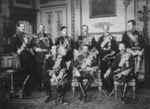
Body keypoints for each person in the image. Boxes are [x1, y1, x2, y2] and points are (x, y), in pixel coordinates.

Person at [10, 21, 35, 94]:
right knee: (23, 73)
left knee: (31, 72)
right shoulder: (15, 36)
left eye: (24, 27)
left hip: (29, 56)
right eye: (22, 27)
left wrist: (32, 50)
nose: (23, 28)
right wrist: (17, 52)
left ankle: (23, 86)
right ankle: (23, 88)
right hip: (21, 57)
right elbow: (11, 49)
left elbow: (29, 46)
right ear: (18, 28)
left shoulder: (26, 35)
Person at [96, 24, 119, 93]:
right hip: (102, 57)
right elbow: (98, 47)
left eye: (106, 28)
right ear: (102, 29)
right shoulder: (100, 38)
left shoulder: (112, 38)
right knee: (103, 70)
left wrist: (111, 49)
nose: (105, 30)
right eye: (104, 28)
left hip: (110, 56)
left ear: (108, 29)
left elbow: (116, 49)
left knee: (109, 70)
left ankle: (110, 86)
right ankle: (104, 84)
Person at [30, 24, 53, 91]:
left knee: (45, 71)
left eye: (42, 28)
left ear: (44, 28)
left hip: (46, 55)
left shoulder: (48, 36)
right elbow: (31, 45)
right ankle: (39, 85)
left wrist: (50, 53)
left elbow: (51, 46)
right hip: (38, 56)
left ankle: (46, 85)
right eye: (40, 28)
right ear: (38, 29)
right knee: (38, 71)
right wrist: (35, 49)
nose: (41, 29)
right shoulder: (35, 36)